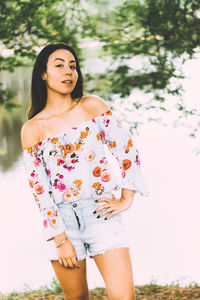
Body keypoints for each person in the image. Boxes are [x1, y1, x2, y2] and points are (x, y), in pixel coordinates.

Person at [21, 42, 149, 300]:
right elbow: (40, 192)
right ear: (43, 74)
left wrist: (126, 197)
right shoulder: (32, 129)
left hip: (102, 212)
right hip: (63, 222)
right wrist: (60, 239)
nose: (68, 71)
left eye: (73, 66)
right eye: (59, 66)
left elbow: (126, 150)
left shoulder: (92, 106)